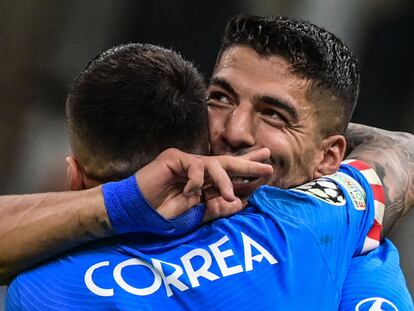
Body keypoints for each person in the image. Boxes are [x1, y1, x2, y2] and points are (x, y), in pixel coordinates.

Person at [5, 28, 412, 309]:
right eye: (220, 98)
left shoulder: (38, 286)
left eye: (273, 114)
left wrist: (122, 202)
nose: (236, 131)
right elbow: (401, 150)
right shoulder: (320, 222)